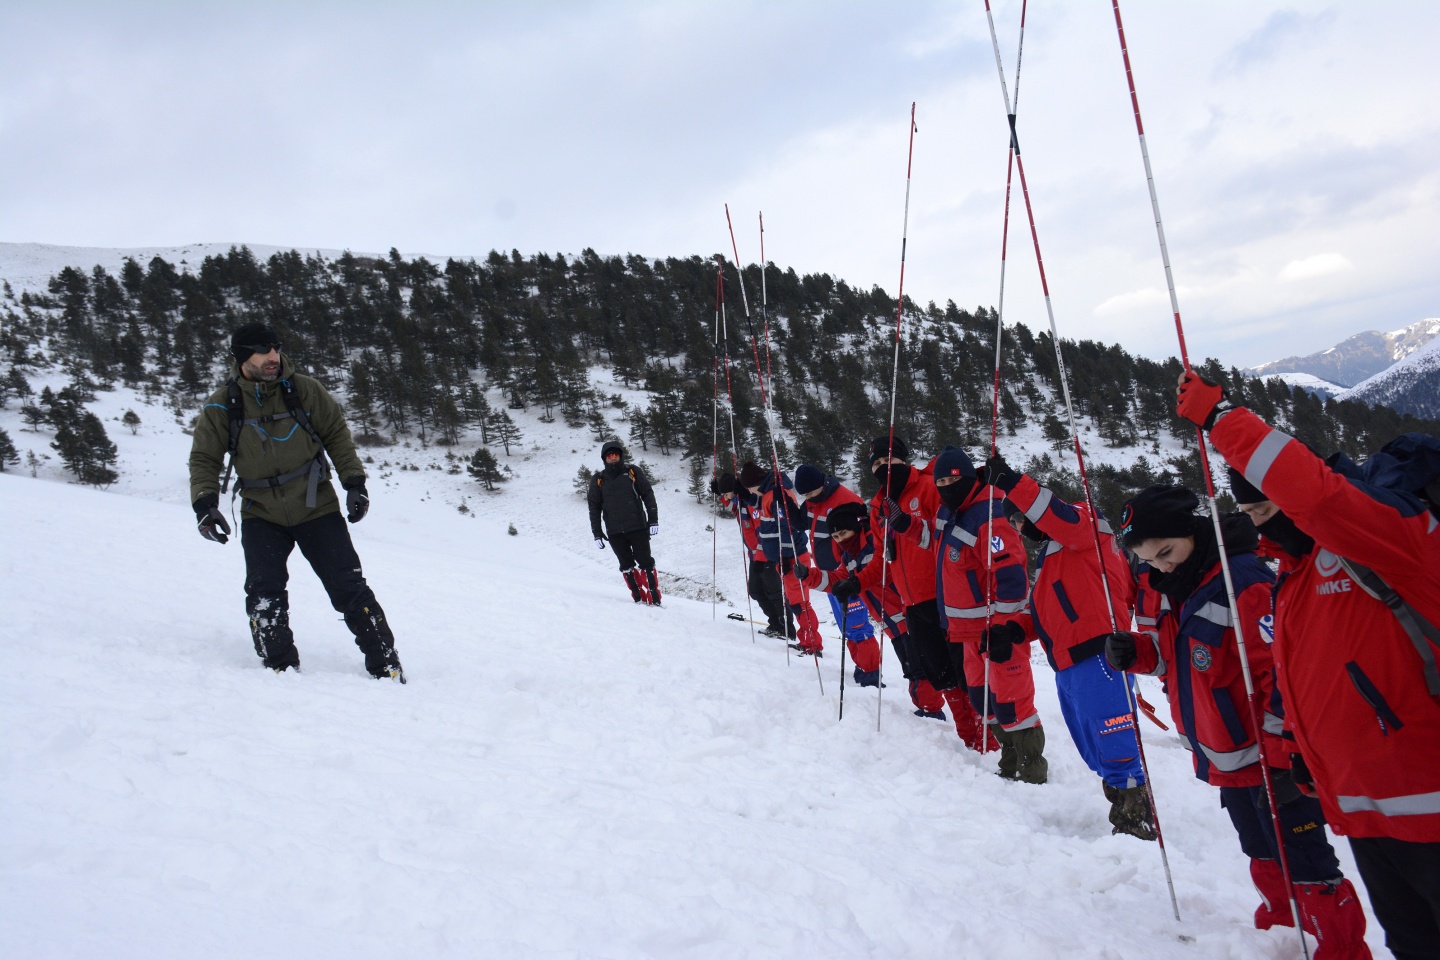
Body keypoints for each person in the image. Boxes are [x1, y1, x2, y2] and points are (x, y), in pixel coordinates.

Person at [1178, 370, 1435, 959]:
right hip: (1372, 811)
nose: (1266, 523)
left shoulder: (1385, 536)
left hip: (1427, 799)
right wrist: (1296, 747)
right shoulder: (1293, 576)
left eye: (1271, 507)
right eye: (1255, 513)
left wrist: (1223, 421)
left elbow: (1317, 496)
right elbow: (1309, 678)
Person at [1108, 484, 1370, 958]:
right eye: (1149, 561)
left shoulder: (1243, 582)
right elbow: (1184, 659)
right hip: (1229, 758)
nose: (1161, 566)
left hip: (1273, 763)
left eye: (1166, 552)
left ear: (1192, 530)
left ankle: (1339, 947)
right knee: (1261, 850)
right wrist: (1140, 653)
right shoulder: (1180, 585)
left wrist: (1285, 758)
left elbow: (1283, 677)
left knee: (1308, 862)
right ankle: (1280, 934)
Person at [188, 323, 404, 681]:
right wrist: (205, 505)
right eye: (263, 351)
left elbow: (336, 434)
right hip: (260, 513)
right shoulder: (221, 405)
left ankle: (387, 667)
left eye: (276, 348)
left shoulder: (304, 390)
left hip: (315, 505)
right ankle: (279, 669)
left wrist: (354, 483)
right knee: (264, 593)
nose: (273, 357)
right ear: (243, 357)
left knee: (349, 589)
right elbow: (204, 459)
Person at [986, 451, 1152, 834]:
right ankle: (1125, 805)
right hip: (1069, 662)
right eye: (1012, 522)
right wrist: (1014, 630)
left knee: (1114, 739)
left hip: (1097, 653)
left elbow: (1054, 513)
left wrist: (1011, 482)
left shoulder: (1086, 526)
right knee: (1093, 744)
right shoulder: (1054, 555)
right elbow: (1048, 611)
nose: (1020, 527)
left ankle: (1133, 819)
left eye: (1019, 518)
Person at [924, 445, 1045, 781]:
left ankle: (1033, 772)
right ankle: (1010, 761)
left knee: (1013, 703)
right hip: (966, 634)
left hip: (996, 632)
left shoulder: (988, 515)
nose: (947, 485)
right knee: (983, 700)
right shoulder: (954, 512)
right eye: (941, 481)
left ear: (968, 476)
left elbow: (1011, 578)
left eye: (953, 478)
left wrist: (1004, 628)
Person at [867, 436, 995, 752]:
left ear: (904, 460)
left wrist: (910, 523)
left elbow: (946, 531)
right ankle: (968, 738)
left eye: (889, 461)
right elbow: (880, 556)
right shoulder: (878, 506)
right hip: (912, 602)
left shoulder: (928, 486)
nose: (884, 468)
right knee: (941, 674)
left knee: (966, 672)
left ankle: (989, 740)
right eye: (877, 464)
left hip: (946, 598)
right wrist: (856, 582)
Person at [792, 463, 883, 685]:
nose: (808, 499)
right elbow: (800, 522)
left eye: (810, 493)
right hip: (831, 574)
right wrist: (786, 503)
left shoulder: (846, 499)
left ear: (821, 484)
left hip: (849, 571)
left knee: (857, 626)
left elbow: (864, 536)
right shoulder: (815, 499)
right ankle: (862, 666)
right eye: (804, 495)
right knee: (847, 627)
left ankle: (871, 673)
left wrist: (854, 569)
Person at [738, 462, 822, 655]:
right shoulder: (769, 494)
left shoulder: (777, 496)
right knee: (795, 602)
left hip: (792, 559)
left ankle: (813, 644)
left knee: (800, 603)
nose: (750, 491)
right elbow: (763, 504)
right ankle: (806, 640)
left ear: (756, 483)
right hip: (785, 559)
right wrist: (746, 497)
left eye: (749, 488)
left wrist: (784, 556)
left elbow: (787, 528)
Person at [714, 471, 789, 637]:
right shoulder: (739, 502)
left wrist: (761, 555)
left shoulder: (750, 501)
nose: (725, 497)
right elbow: (734, 509)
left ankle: (785, 628)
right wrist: (719, 495)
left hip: (766, 555)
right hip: (754, 556)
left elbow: (762, 529)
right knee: (755, 591)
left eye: (726, 493)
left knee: (774, 593)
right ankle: (775, 623)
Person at [588, 440, 661, 605]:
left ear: (620, 456)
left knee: (646, 563)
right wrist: (597, 533)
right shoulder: (598, 479)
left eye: (615, 455)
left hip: (638, 527)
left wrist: (653, 519)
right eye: (609, 455)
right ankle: (638, 600)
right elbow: (594, 508)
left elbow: (648, 494)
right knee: (626, 565)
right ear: (604, 458)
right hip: (614, 532)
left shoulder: (632, 472)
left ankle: (654, 601)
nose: (612, 458)